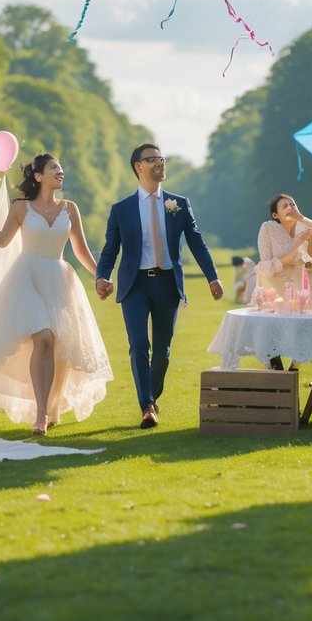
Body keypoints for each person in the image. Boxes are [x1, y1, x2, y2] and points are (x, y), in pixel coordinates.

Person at [0, 153, 112, 435]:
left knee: (59, 347)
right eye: (54, 168)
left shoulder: (70, 208)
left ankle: (52, 407)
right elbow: (2, 241)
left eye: (61, 168)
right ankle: (40, 413)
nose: (60, 172)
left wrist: (100, 276)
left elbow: (80, 250)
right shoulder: (21, 208)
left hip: (60, 280)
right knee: (44, 337)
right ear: (38, 176)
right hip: (27, 278)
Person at [95, 142, 223, 429]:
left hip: (168, 284)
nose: (159, 163)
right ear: (138, 167)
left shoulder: (179, 204)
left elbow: (196, 242)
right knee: (139, 343)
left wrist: (212, 277)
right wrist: (102, 276)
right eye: (152, 159)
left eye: (161, 158)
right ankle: (147, 406)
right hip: (135, 284)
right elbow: (109, 250)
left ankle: (150, 398)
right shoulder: (121, 209)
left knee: (163, 351)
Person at [255, 194, 312, 297]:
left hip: (303, 290)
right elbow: (266, 268)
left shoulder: (304, 227)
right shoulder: (268, 228)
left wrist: (301, 218)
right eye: (285, 206)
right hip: (276, 291)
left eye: (292, 204)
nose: (290, 207)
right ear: (275, 215)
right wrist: (299, 243)